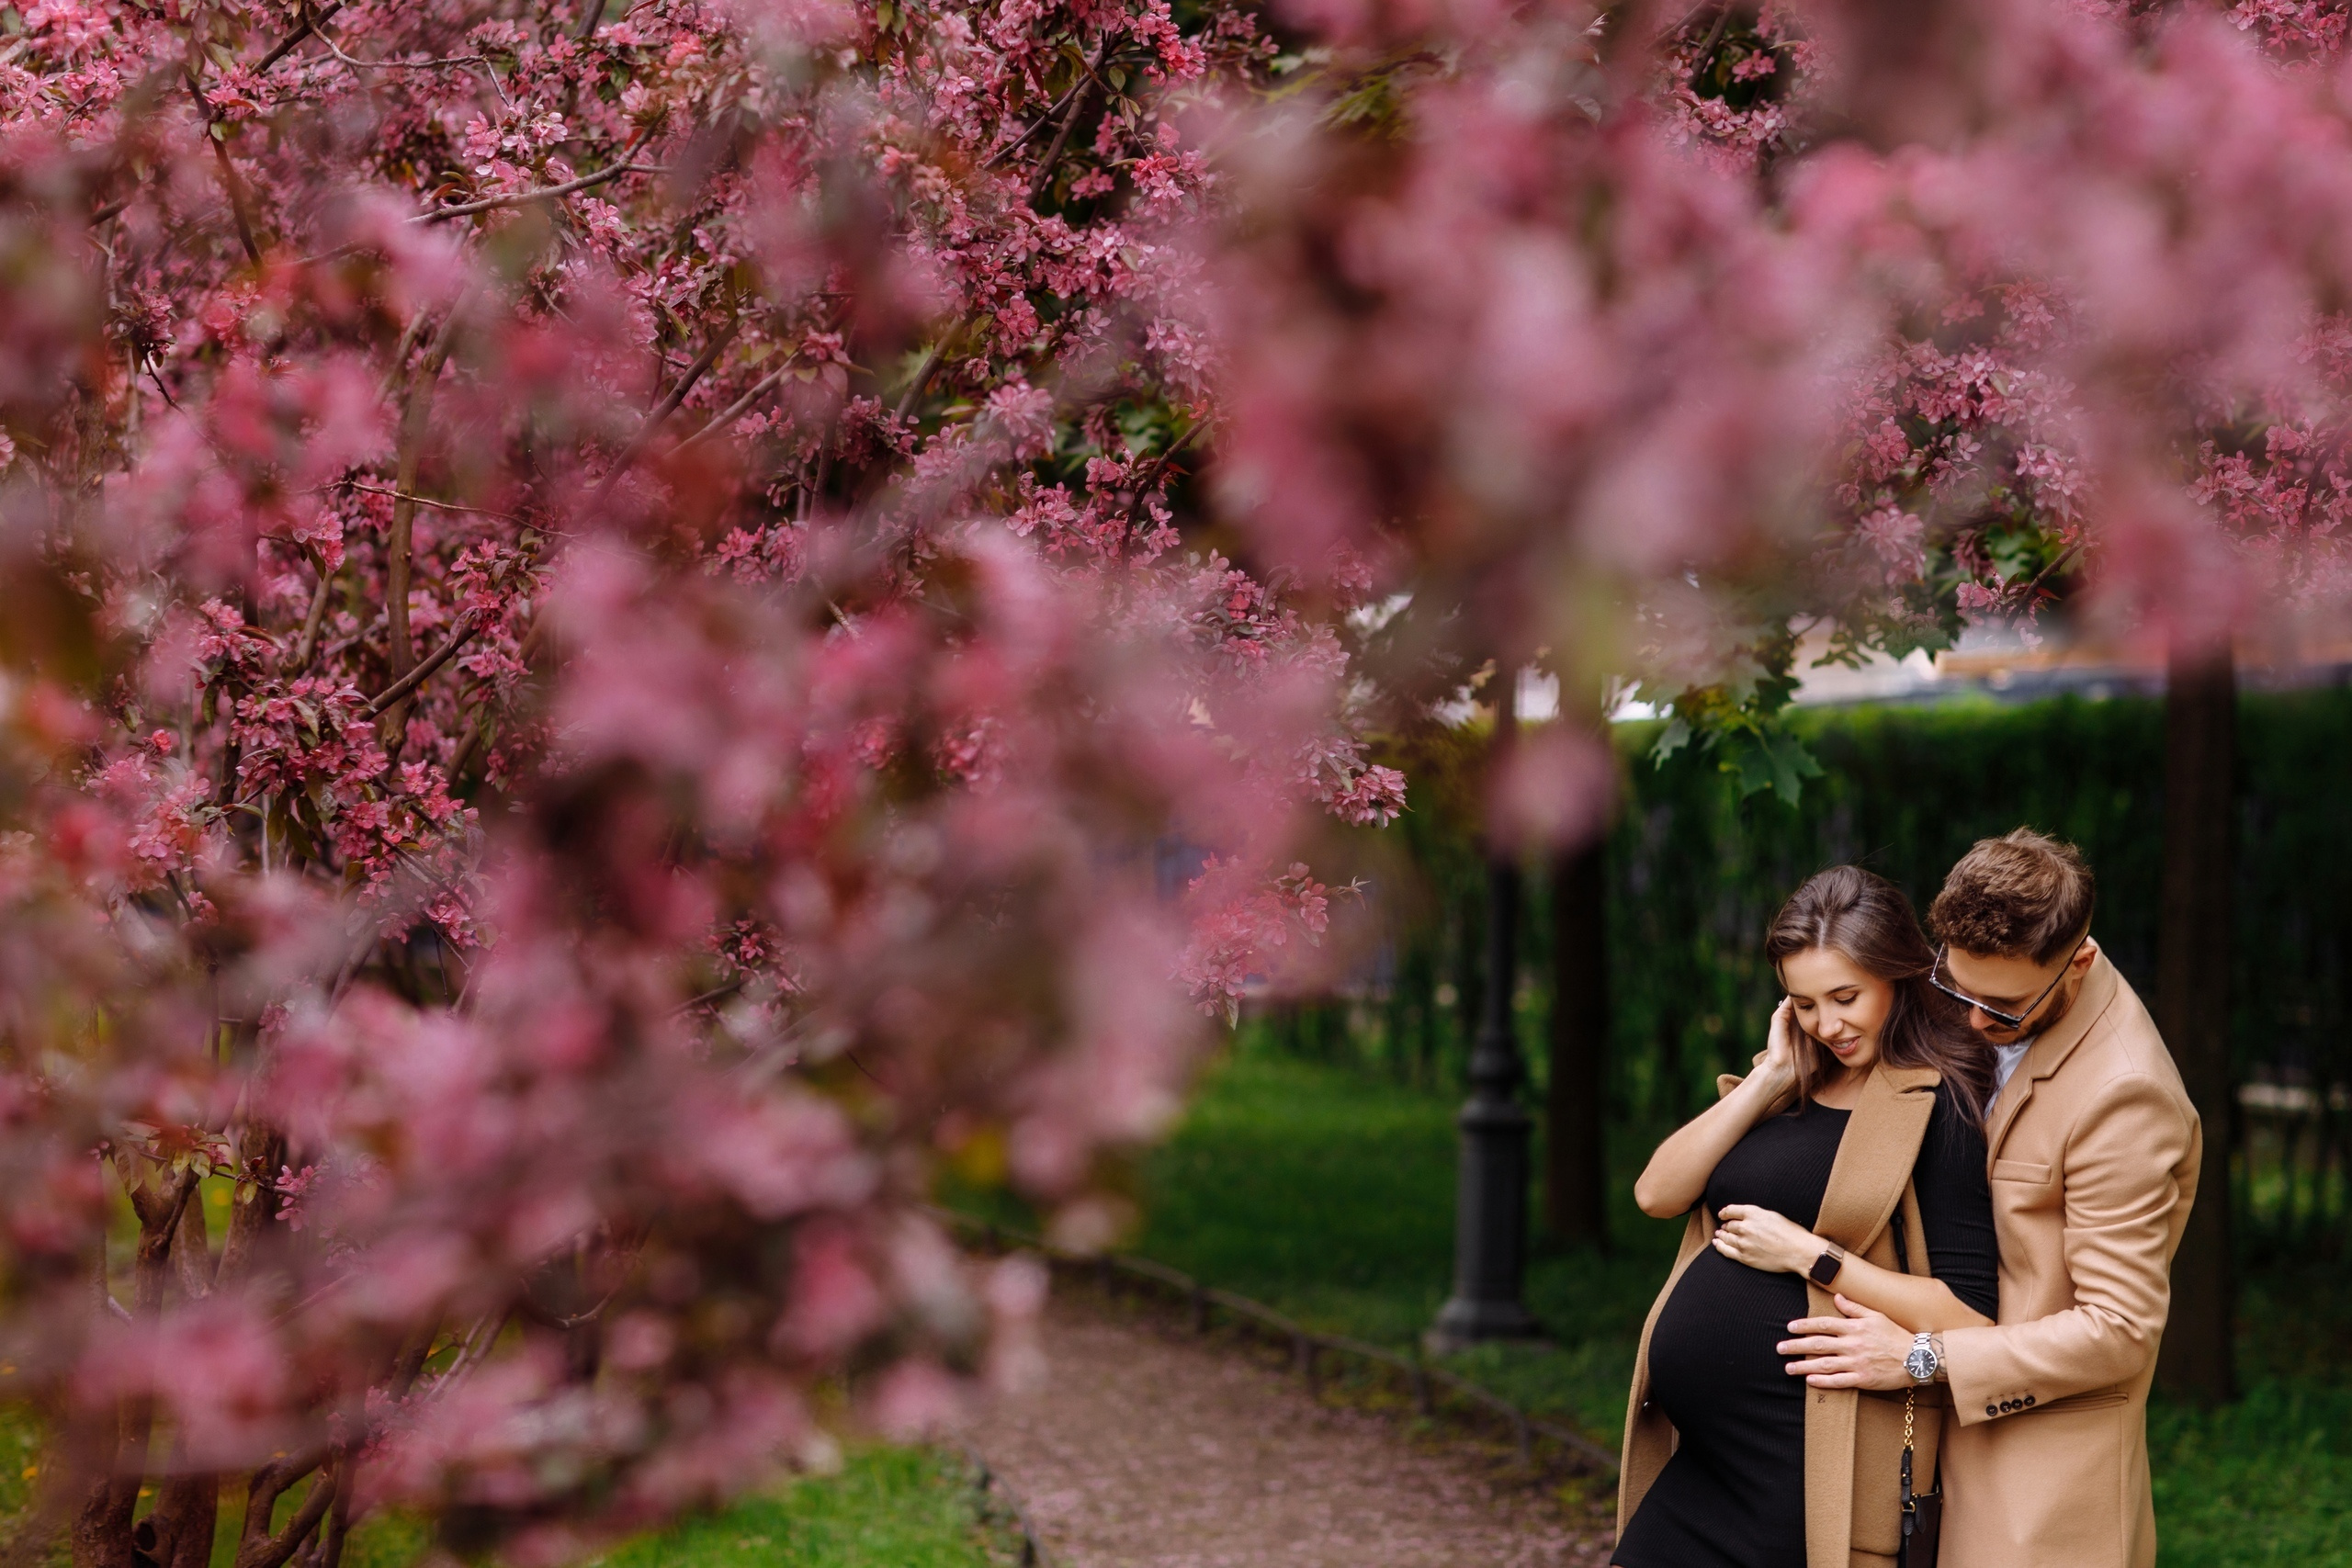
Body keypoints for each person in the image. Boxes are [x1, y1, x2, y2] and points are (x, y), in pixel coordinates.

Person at [1777, 829, 2200, 1568]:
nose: (1972, 1019)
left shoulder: (2126, 1094)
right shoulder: (1993, 983)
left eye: (2000, 1008)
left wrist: (1919, 1356)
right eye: (1956, 987)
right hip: (1939, 1455)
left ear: (2080, 962)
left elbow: (2119, 1328)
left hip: (2041, 1494)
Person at [1615, 866, 2000, 1568]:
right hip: (1702, 1467)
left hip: (1800, 1470)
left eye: (1846, 996)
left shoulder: (1937, 1102)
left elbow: (1970, 1315)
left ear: (1899, 973)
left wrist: (1809, 1255)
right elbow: (1656, 1192)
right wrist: (1769, 1076)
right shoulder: (1798, 1075)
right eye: (1805, 1003)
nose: (1829, 1024)